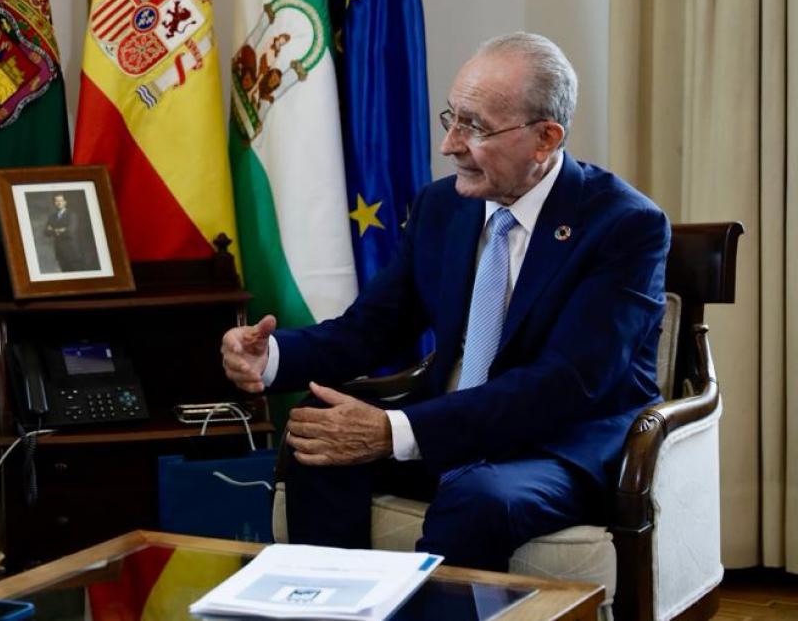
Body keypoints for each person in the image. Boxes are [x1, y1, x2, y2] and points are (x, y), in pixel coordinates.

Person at [221, 32, 668, 571]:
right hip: (457, 429)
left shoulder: (624, 225)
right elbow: (373, 327)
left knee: (480, 499)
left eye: (474, 127)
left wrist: (396, 432)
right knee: (319, 436)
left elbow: (566, 383)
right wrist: (270, 357)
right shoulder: (443, 207)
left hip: (557, 446)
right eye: (450, 118)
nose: (449, 145)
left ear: (545, 138)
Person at [44, 193, 85, 271]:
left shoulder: (72, 215)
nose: (59, 203)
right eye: (56, 201)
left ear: (65, 202)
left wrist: (53, 230)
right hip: (60, 252)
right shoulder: (52, 217)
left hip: (72, 252)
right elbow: (46, 232)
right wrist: (60, 230)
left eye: (61, 201)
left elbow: (70, 232)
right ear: (54, 203)